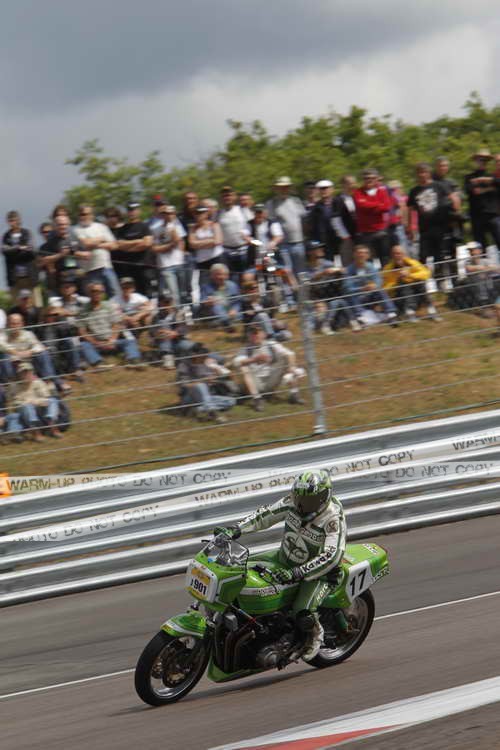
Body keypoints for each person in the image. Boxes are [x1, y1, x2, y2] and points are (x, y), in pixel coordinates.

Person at [213, 469, 346, 661]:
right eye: (299, 498)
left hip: (320, 573)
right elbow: (265, 515)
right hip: (284, 558)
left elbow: (332, 555)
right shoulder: (292, 503)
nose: (302, 505)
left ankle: (315, 634)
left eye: (308, 501)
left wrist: (298, 572)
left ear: (324, 497)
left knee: (302, 611)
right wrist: (236, 530)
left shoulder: (333, 518)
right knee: (236, 571)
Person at [232, 324, 305, 411]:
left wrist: (291, 367)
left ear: (263, 334)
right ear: (248, 336)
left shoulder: (271, 344)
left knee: (286, 359)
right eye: (252, 333)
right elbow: (237, 362)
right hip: (255, 382)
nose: (255, 335)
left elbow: (290, 354)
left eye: (257, 333)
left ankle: (294, 394)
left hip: (270, 380)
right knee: (243, 367)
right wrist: (254, 360)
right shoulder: (245, 349)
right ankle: (257, 399)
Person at [77, 283, 144, 369]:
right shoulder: (82, 310)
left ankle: (134, 360)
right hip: (96, 343)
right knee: (83, 345)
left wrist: (112, 340)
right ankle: (98, 363)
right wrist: (95, 342)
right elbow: (82, 331)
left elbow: (117, 324)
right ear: (88, 293)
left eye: (100, 291)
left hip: (112, 341)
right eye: (94, 291)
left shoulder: (109, 306)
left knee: (130, 341)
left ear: (103, 293)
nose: (97, 294)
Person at [407, 163, 454, 285]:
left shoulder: (438, 186)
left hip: (439, 226)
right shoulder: (414, 191)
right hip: (424, 228)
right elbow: (410, 210)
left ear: (429, 173)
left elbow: (452, 197)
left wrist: (454, 214)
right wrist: (410, 227)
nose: (422, 175)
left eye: (424, 172)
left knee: (439, 254)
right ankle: (422, 283)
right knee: (423, 255)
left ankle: (441, 281)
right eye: (420, 172)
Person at [305, 240, 357, 334]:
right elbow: (306, 283)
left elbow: (343, 270)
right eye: (317, 249)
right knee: (338, 301)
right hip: (317, 299)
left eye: (320, 248)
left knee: (341, 296)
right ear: (309, 252)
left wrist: (339, 270)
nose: (320, 250)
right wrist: (323, 273)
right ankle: (352, 321)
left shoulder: (327, 263)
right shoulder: (306, 268)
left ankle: (329, 325)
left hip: (330, 294)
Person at [176, 342, 236, 422]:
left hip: (206, 396)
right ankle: (214, 414)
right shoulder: (184, 365)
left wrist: (215, 376)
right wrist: (203, 381)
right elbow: (184, 385)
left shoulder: (204, 363)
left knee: (231, 401)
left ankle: (198, 409)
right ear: (195, 356)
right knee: (200, 386)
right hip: (189, 396)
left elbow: (227, 376)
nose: (204, 359)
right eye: (203, 357)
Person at [72, 205, 121, 299]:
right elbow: (86, 243)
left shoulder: (102, 227)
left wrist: (96, 245)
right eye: (82, 214)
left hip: (106, 266)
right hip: (89, 270)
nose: (85, 216)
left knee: (115, 294)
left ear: (92, 215)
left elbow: (114, 245)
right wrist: (102, 239)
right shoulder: (75, 229)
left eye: (87, 214)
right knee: (94, 298)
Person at [6, 362, 63, 442]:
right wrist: (31, 402)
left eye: (28, 372)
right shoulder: (14, 386)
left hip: (39, 408)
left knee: (53, 401)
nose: (27, 375)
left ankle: (52, 426)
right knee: (27, 406)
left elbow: (46, 397)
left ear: (32, 372)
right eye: (24, 373)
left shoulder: (38, 382)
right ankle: (36, 432)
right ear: (19, 375)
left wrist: (34, 401)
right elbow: (15, 404)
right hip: (24, 412)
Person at [382, 245, 440, 322]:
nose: (396, 256)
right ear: (391, 255)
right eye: (394, 253)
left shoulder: (412, 263)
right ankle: (410, 312)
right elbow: (384, 288)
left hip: (416, 295)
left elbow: (426, 273)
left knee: (419, 282)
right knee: (403, 284)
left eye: (399, 253)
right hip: (399, 297)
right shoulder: (387, 268)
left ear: (404, 254)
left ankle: (431, 309)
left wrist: (410, 275)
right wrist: (397, 279)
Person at [344, 245, 397, 326]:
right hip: (358, 298)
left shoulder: (370, 266)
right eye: (359, 253)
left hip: (369, 295)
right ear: (354, 254)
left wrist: (375, 285)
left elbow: (379, 280)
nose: (362, 255)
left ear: (368, 255)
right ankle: (360, 317)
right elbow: (347, 288)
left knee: (380, 290)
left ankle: (391, 314)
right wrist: (362, 289)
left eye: (365, 253)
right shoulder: (349, 270)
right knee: (351, 295)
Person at [266, 176, 307, 275]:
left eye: (286, 187)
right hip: (283, 245)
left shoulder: (296, 201)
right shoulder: (272, 203)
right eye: (281, 187)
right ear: (276, 188)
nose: (284, 189)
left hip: (299, 242)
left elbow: (304, 218)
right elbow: (271, 223)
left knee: (301, 272)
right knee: (287, 272)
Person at [151, 204, 188, 306]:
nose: (169, 216)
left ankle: (184, 311)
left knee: (183, 291)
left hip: (179, 262)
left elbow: (179, 242)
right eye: (166, 213)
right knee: (173, 293)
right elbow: (154, 248)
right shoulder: (155, 228)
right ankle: (177, 311)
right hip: (165, 265)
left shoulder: (177, 226)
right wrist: (169, 246)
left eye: (171, 213)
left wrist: (177, 251)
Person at [353, 169, 392, 265]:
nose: (369, 180)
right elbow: (361, 205)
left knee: (385, 258)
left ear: (376, 179)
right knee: (366, 260)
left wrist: (369, 206)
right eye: (366, 178)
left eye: (372, 178)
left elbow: (387, 207)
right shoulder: (358, 192)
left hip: (381, 230)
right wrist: (378, 205)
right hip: (365, 232)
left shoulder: (382, 191)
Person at [38, 214, 85, 292]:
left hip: (77, 276)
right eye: (60, 225)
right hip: (61, 279)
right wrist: (60, 255)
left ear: (69, 225)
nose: (63, 227)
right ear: (55, 226)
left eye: (65, 224)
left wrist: (74, 252)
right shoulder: (51, 242)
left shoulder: (75, 238)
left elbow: (88, 255)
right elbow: (42, 261)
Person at [464, 149, 500, 250]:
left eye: (484, 160)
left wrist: (485, 181)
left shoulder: (491, 176)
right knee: (480, 248)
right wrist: (490, 187)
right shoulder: (469, 177)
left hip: (492, 215)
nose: (482, 162)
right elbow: (471, 190)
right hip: (477, 217)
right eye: (480, 159)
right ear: (475, 161)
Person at [114, 203, 153, 294]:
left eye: (134, 210)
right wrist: (138, 241)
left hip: (144, 265)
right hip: (129, 267)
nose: (132, 213)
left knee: (147, 293)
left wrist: (128, 248)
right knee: (131, 293)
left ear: (139, 211)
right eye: (130, 210)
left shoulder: (144, 226)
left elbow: (147, 243)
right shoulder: (123, 229)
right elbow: (120, 244)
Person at [2, 211, 40, 304]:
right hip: (14, 278)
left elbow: (32, 251)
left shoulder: (27, 233)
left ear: (19, 220)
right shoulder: (6, 236)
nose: (12, 223)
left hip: (30, 276)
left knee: (35, 304)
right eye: (10, 221)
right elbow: (4, 251)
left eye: (14, 220)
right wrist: (19, 248)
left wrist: (13, 252)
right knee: (16, 306)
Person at [149, 293, 192, 369]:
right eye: (165, 302)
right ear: (160, 303)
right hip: (164, 343)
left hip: (178, 341)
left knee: (195, 348)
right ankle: (168, 358)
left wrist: (175, 332)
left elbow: (185, 328)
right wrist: (160, 333)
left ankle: (217, 359)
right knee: (163, 323)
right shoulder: (156, 317)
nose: (168, 304)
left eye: (170, 302)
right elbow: (152, 332)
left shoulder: (178, 313)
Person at [218, 186, 251, 278]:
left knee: (246, 278)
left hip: (244, 251)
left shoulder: (243, 210)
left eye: (229, 195)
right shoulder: (217, 213)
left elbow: (253, 226)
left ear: (234, 197)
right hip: (227, 252)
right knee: (230, 278)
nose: (227, 198)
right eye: (224, 196)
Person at [188, 206, 225, 287]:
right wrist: (210, 241)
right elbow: (191, 244)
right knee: (203, 284)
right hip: (202, 261)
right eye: (197, 214)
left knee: (219, 282)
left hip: (216, 258)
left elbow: (218, 241)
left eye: (201, 213)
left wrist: (199, 243)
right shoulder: (193, 228)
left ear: (206, 214)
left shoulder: (214, 225)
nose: (199, 215)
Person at [199, 263, 241, 331]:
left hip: (230, 313)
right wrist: (208, 302)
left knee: (241, 313)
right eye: (218, 274)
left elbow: (238, 302)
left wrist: (234, 310)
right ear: (212, 275)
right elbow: (202, 302)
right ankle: (226, 322)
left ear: (227, 276)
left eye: (224, 274)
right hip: (214, 314)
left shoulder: (233, 285)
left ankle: (224, 323)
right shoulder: (206, 287)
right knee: (216, 305)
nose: (221, 277)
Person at [332, 175, 357, 266]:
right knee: (348, 261)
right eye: (349, 183)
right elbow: (335, 220)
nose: (352, 186)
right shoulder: (337, 200)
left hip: (358, 234)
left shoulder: (356, 197)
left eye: (353, 183)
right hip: (346, 237)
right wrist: (345, 236)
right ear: (343, 185)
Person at [309, 180, 337, 261]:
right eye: (321, 189)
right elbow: (313, 228)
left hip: (340, 241)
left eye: (326, 188)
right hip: (324, 244)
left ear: (332, 189)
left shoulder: (339, 202)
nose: (324, 191)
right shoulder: (315, 208)